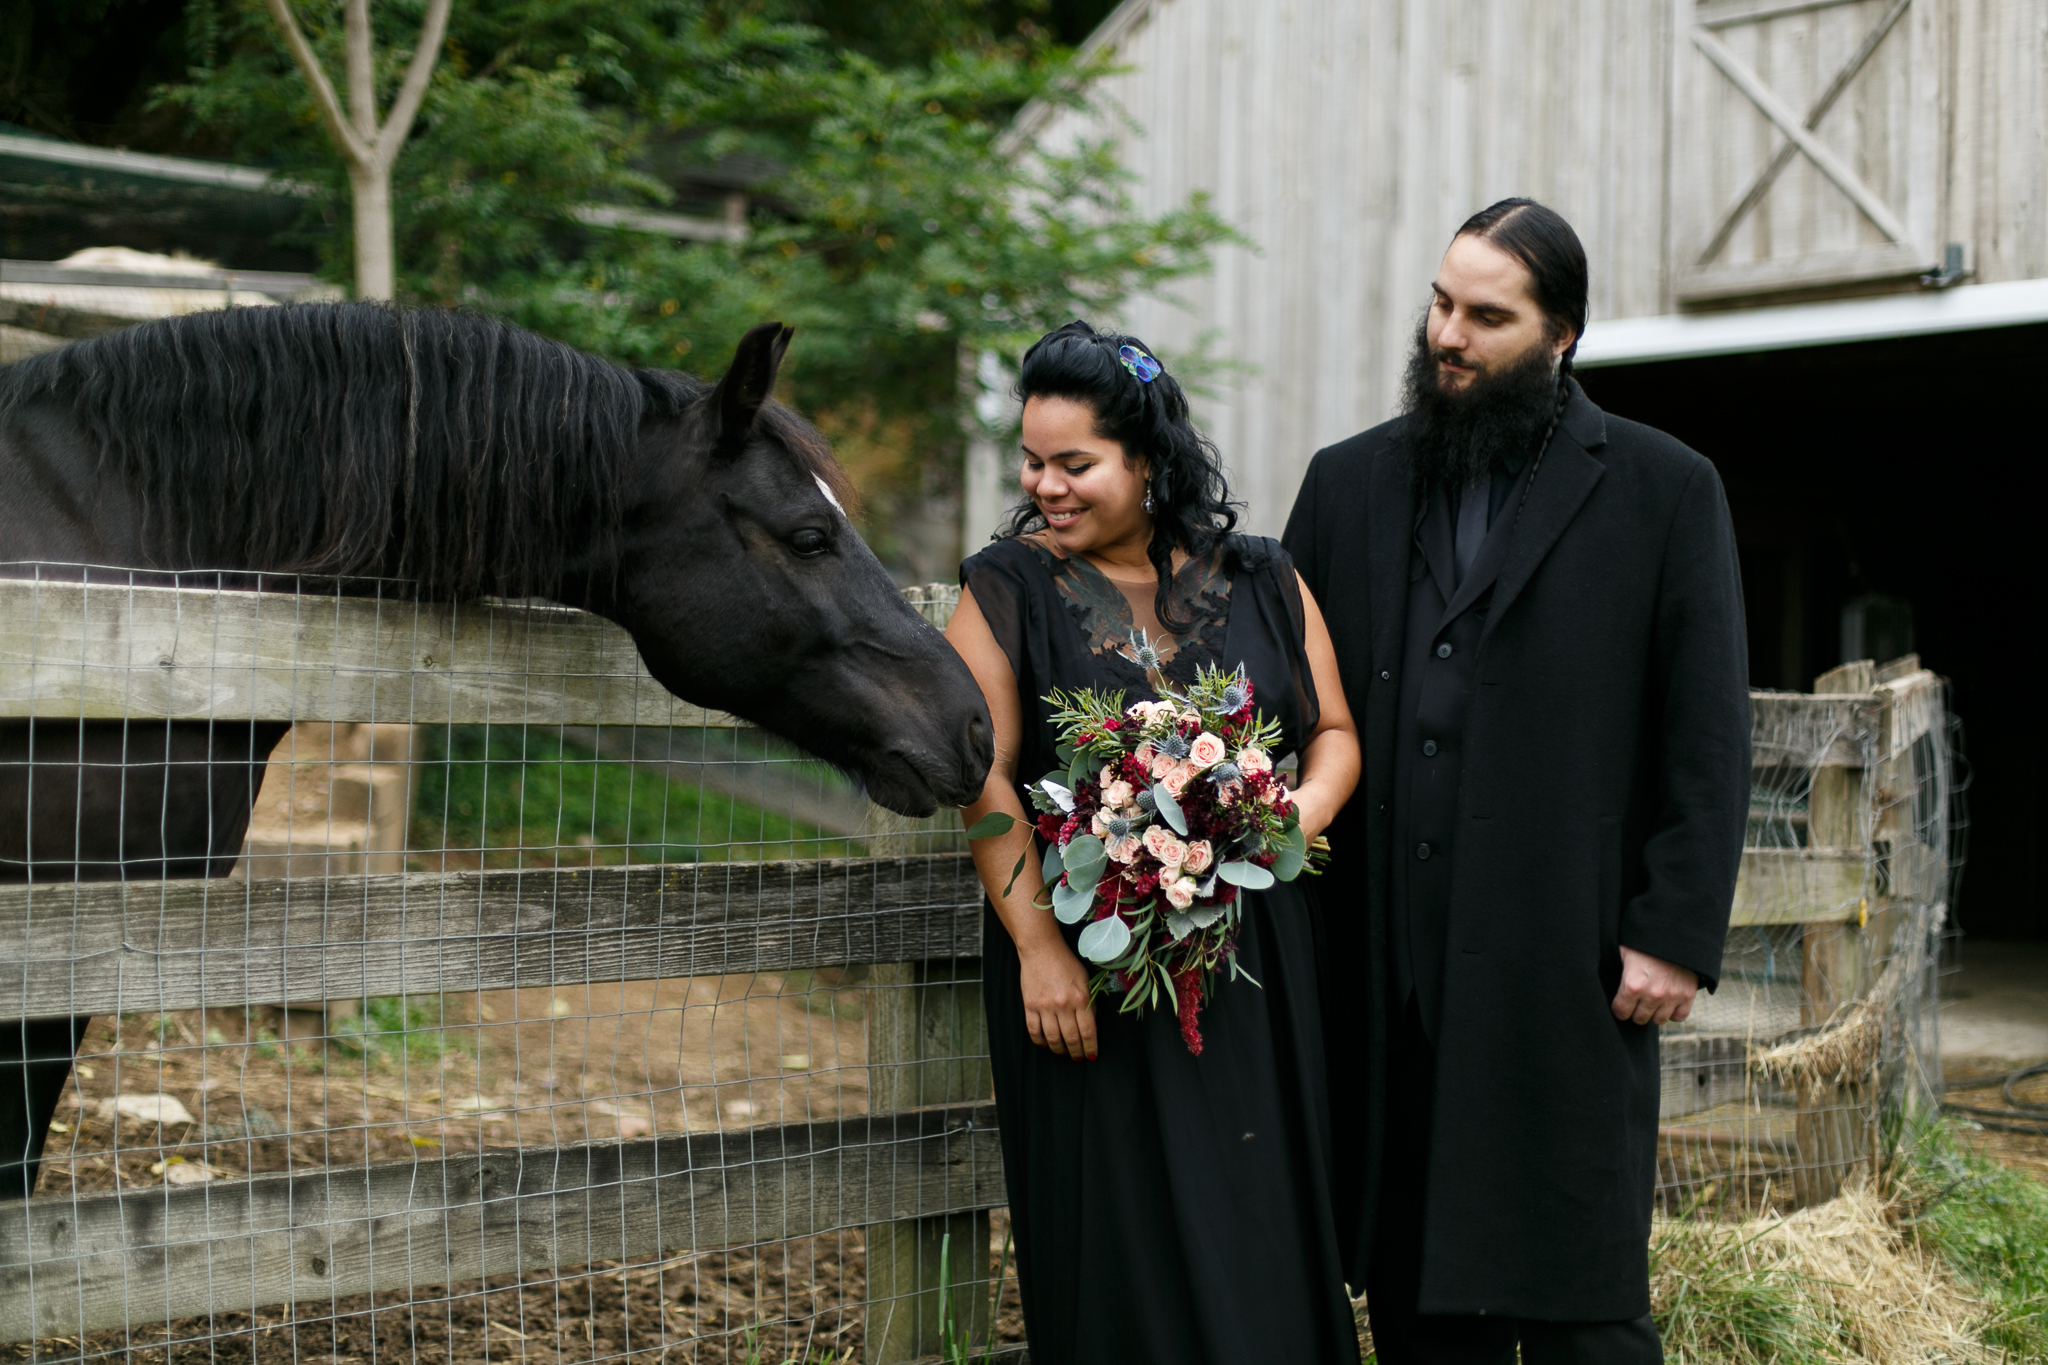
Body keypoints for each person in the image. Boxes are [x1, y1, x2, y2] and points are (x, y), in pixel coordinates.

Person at [1283, 199, 1750, 1364]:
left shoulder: (1662, 488)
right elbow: (1279, 703)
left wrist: (1674, 931)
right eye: (1441, 301)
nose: (1447, 333)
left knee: (1584, 1306)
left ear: (1560, 337)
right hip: (1385, 967)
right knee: (1413, 1294)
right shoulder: (1343, 485)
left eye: (1485, 316)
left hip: (1566, 963)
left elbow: (1704, 731)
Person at [947, 320, 1363, 1364]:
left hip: (1251, 964)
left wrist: (1267, 829)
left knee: (1256, 1222)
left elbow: (1334, 737)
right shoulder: (1003, 588)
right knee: (1115, 1248)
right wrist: (1039, 949)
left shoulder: (1266, 577)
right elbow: (981, 777)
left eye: (1073, 463)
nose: (1046, 484)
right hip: (1089, 973)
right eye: (1033, 462)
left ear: (1147, 459)